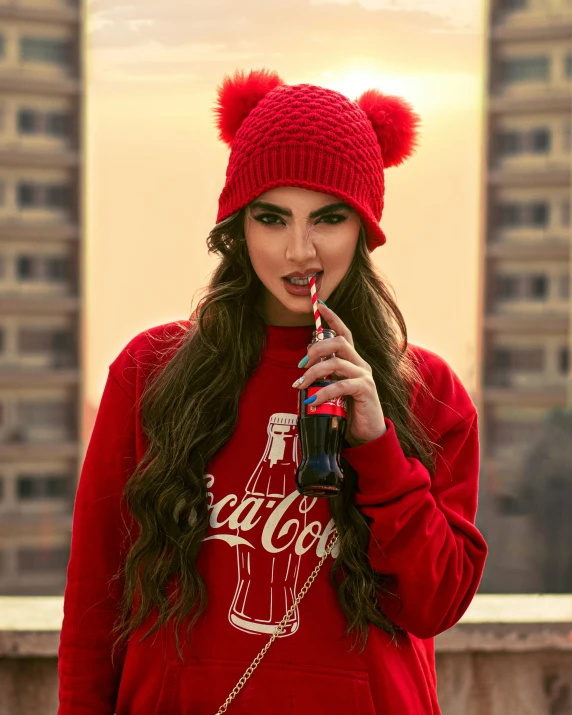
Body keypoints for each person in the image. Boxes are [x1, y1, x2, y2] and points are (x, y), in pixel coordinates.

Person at [57, 68, 488, 715]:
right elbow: (95, 603)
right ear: (239, 227)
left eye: (329, 218)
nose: (299, 250)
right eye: (271, 217)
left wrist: (376, 444)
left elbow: (435, 604)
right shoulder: (150, 371)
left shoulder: (427, 393)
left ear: (365, 231)